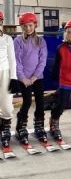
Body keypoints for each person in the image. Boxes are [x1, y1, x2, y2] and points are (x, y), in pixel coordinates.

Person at [13, 13, 48, 144]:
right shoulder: (18, 41)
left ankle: (39, 125)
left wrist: (34, 77)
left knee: (40, 101)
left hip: (37, 77)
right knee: (27, 101)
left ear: (35, 25)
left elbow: (42, 61)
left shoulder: (41, 41)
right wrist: (23, 77)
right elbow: (17, 61)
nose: (28, 28)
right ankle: (20, 127)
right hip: (23, 78)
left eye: (30, 25)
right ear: (21, 27)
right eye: (25, 26)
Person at [0, 11, 18, 150]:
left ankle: (5, 129)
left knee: (6, 105)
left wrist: (13, 78)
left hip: (5, 73)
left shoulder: (7, 39)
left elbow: (12, 60)